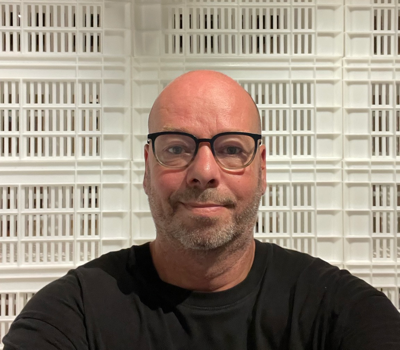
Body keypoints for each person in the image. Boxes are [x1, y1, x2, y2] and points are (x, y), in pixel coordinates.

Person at [3, 70, 400, 349]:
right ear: (147, 169)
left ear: (262, 170)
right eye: (176, 148)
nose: (204, 172)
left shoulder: (341, 312)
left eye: (231, 149)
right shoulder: (75, 314)